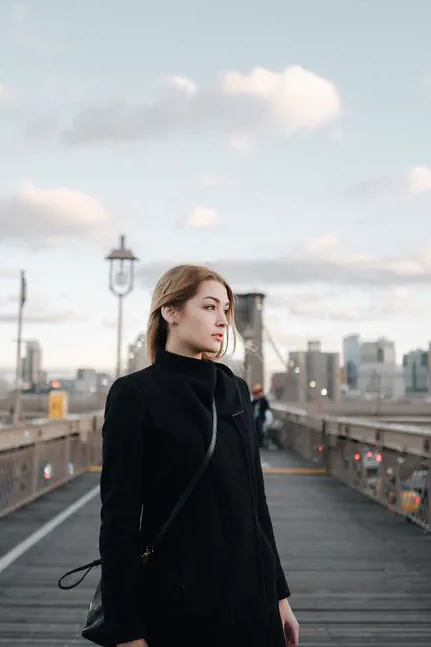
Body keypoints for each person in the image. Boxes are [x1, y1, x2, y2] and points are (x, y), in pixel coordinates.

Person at [99, 264, 299, 647]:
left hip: (251, 596)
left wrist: (279, 596)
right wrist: (125, 630)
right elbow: (118, 520)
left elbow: (256, 503)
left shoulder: (235, 390)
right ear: (170, 312)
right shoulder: (134, 395)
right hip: (181, 600)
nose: (222, 319)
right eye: (209, 307)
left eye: (225, 309)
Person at [251, 383, 272, 448]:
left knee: (260, 430)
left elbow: (267, 408)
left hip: (261, 418)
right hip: (255, 418)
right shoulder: (255, 401)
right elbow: (251, 406)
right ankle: (256, 443)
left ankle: (260, 443)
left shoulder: (263, 400)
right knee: (255, 430)